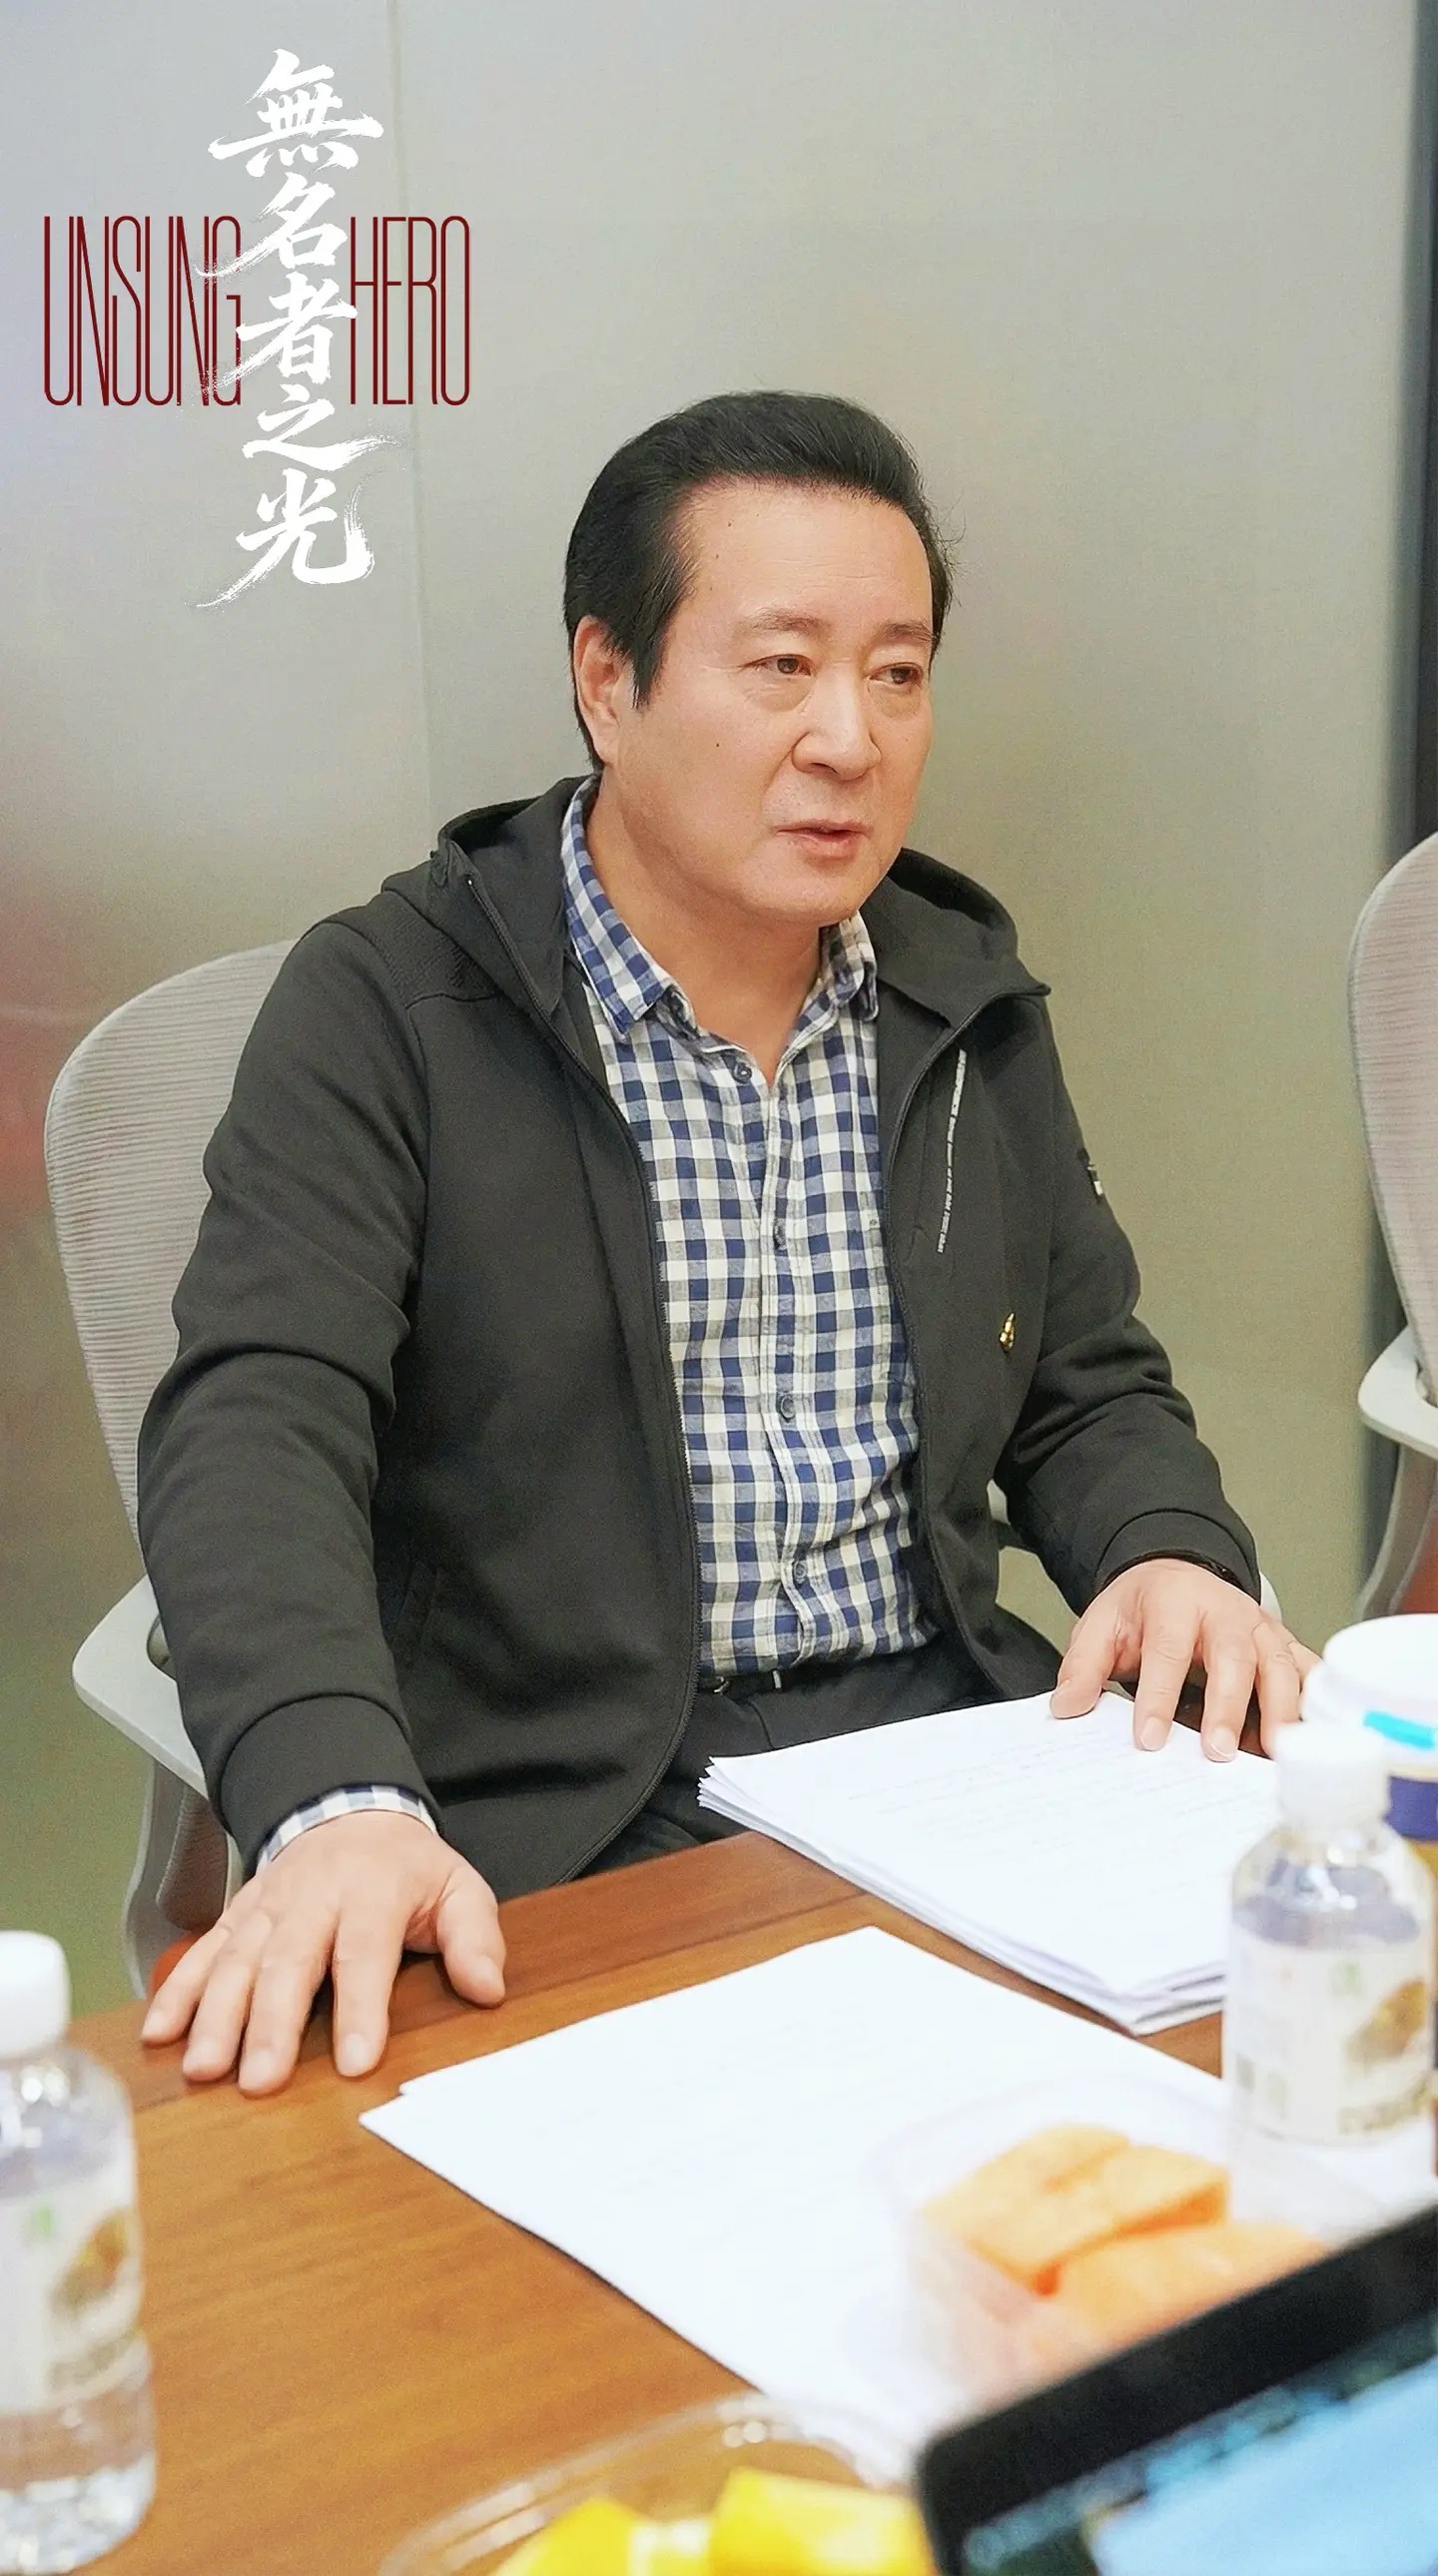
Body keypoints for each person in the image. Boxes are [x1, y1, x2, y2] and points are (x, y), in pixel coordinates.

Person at [137, 390, 1315, 2097]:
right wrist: (334, 1797)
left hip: (948, 1762)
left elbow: (1082, 1377)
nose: (850, 737)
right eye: (781, 668)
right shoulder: (392, 1005)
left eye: (898, 674)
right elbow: (257, 1426)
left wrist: (1168, 1549)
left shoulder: (957, 995)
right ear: (606, 682)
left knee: (1257, 2103)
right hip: (570, 1807)